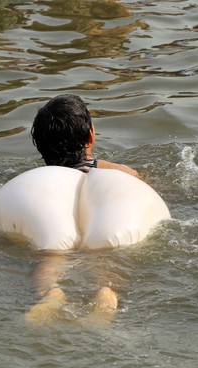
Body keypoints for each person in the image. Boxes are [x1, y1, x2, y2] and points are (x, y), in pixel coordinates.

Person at [26, 94, 140, 323]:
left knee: (50, 259)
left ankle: (52, 293)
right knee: (106, 263)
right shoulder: (121, 173)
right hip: (105, 224)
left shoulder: (34, 183)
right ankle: (106, 292)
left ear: (39, 145)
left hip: (52, 220)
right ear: (91, 135)